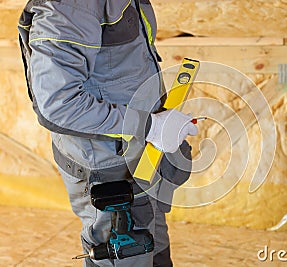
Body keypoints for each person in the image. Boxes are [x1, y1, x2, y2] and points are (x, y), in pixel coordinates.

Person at [18, 0, 198, 266]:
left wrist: (158, 119)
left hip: (140, 156)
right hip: (111, 167)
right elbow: (58, 105)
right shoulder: (71, 6)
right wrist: (149, 126)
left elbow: (119, 70)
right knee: (128, 252)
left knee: (153, 246)